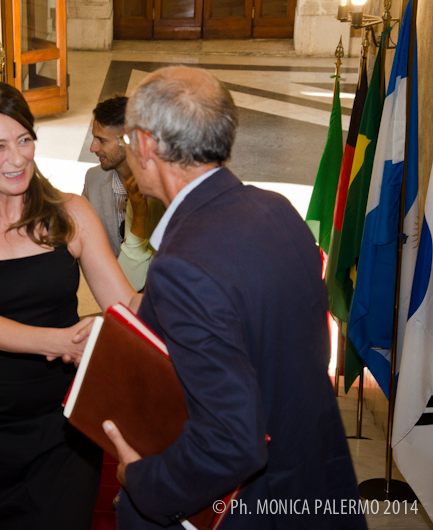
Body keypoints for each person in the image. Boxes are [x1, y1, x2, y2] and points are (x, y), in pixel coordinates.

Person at [102, 66, 366, 529]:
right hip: (312, 487)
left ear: (144, 144)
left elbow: (231, 441)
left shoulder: (183, 266)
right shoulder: (277, 210)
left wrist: (144, 480)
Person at [0, 81, 138, 529]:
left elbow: (126, 305)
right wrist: (63, 341)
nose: (17, 158)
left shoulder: (71, 214)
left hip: (65, 426)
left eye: (24, 140)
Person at [82, 96, 165, 291]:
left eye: (102, 140)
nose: (93, 148)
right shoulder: (93, 179)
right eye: (94, 138)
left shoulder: (164, 190)